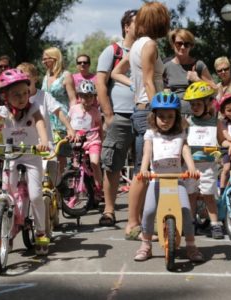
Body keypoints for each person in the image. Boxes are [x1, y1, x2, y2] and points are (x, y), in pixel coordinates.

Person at [111, 1, 170, 238]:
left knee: (144, 168)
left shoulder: (136, 45)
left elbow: (118, 73)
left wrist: (136, 89)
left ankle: (140, 222)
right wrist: (159, 112)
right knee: (143, 170)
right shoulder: (150, 45)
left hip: (140, 109)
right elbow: (147, 80)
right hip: (148, 112)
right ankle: (133, 224)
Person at [134, 91, 204, 262]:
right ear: (154, 116)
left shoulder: (180, 134)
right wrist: (144, 170)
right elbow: (146, 153)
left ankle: (191, 245)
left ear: (177, 117)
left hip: (177, 179)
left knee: (186, 212)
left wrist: (193, 169)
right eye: (161, 116)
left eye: (170, 116)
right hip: (156, 180)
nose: (165, 120)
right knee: (149, 211)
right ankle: (146, 244)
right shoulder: (151, 134)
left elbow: (186, 151)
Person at [0, 69, 49, 255]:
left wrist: (44, 141)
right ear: (5, 96)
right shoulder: (3, 110)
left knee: (36, 195)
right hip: (11, 156)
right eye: (16, 95)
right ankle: (8, 229)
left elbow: (40, 124)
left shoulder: (33, 108)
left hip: (32, 155)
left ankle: (40, 232)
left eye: (24, 92)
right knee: (8, 193)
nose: (22, 98)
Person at [96, 9, 137, 228]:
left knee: (143, 166)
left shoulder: (149, 49)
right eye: (137, 23)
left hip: (144, 116)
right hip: (119, 116)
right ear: (126, 27)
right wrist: (108, 115)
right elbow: (100, 83)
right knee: (112, 165)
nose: (142, 27)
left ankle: (139, 213)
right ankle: (109, 211)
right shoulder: (112, 51)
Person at [182, 81, 223, 239]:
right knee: (191, 194)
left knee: (208, 195)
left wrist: (229, 144)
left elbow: (222, 139)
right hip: (190, 165)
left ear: (208, 103)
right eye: (192, 104)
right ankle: (191, 223)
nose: (194, 107)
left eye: (198, 104)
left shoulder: (215, 122)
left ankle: (215, 224)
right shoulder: (188, 122)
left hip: (208, 165)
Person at [17, 62, 75, 145]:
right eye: (20, 78)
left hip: (44, 144)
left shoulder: (44, 96)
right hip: (24, 145)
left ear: (35, 79)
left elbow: (58, 111)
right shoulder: (16, 98)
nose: (24, 81)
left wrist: (69, 128)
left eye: (27, 77)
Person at [163, 28, 216, 115]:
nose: (183, 47)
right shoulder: (166, 66)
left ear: (191, 46)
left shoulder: (198, 65)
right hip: (174, 116)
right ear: (172, 44)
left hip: (196, 117)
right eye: (179, 43)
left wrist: (197, 80)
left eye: (186, 44)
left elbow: (215, 90)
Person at [41, 47, 77, 172]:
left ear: (55, 59)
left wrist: (72, 121)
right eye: (43, 59)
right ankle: (50, 183)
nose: (43, 62)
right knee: (48, 153)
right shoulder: (46, 76)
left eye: (46, 59)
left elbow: (73, 99)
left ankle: (59, 183)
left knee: (60, 155)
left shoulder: (65, 76)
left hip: (62, 120)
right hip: (48, 120)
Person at [69, 80, 104, 204]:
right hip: (79, 142)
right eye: (84, 96)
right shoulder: (74, 109)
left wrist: (102, 142)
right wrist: (71, 134)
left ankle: (99, 187)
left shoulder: (95, 111)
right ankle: (74, 193)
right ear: (79, 96)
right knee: (75, 167)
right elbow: (70, 125)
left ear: (94, 97)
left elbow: (100, 127)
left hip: (93, 140)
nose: (87, 99)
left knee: (94, 163)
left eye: (90, 96)